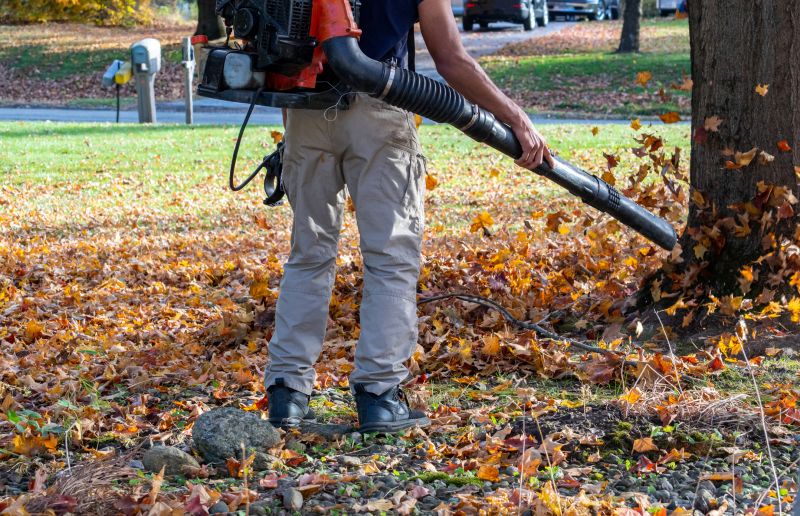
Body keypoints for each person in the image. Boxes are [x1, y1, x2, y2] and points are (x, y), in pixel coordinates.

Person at [264, 0, 554, 433]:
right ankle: (379, 394)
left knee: (309, 254)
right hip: (379, 113)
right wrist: (515, 116)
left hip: (306, 113)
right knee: (391, 259)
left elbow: (285, 48)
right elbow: (452, 59)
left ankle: (287, 391)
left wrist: (294, 132)